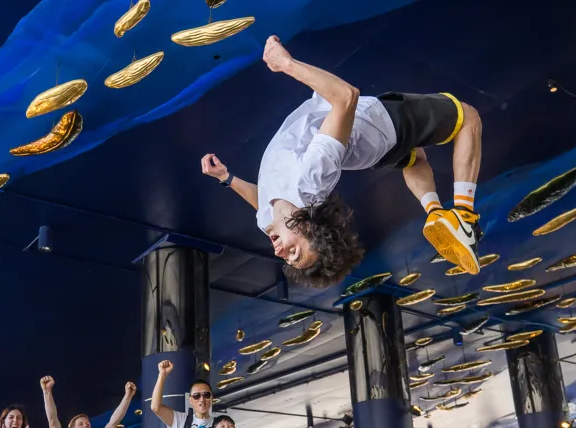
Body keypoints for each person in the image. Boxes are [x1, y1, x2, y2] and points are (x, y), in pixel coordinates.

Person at [201, 35, 485, 282]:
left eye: (286, 258)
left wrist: (227, 178)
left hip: (371, 151)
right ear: (308, 227)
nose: (279, 251)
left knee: (415, 160)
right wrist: (285, 63)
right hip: (384, 126)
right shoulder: (310, 179)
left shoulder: (271, 220)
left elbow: (261, 200)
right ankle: (464, 217)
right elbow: (346, 97)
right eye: (294, 251)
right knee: (468, 117)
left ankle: (437, 212)